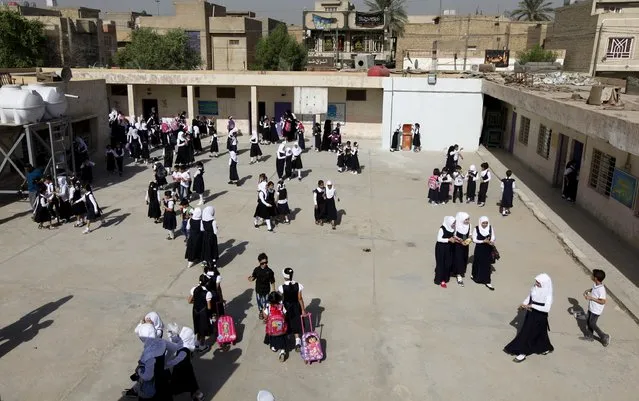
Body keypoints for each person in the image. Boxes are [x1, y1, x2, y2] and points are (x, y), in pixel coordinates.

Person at [504, 274, 554, 363]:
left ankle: (523, 352)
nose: (536, 283)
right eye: (537, 282)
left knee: (527, 332)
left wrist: (532, 306)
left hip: (540, 316)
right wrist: (524, 304)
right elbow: (530, 297)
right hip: (531, 313)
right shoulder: (535, 287)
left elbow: (547, 309)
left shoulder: (548, 294)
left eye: (539, 282)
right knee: (540, 332)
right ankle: (544, 347)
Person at [128, 323, 172, 400]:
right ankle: (135, 390)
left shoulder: (149, 354)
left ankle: (135, 390)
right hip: (161, 377)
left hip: (153, 385)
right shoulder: (161, 343)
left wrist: (139, 371)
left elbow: (148, 377)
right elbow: (173, 348)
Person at [165, 324, 204, 401]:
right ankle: (196, 393)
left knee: (186, 380)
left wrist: (166, 365)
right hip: (184, 367)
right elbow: (174, 340)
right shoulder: (185, 345)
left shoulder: (184, 350)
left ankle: (196, 394)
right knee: (188, 380)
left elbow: (176, 360)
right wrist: (170, 333)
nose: (179, 336)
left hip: (182, 367)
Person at [279, 268, 306, 352]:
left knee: (286, 323)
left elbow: (280, 300)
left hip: (286, 308)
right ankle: (298, 341)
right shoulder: (298, 285)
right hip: (296, 307)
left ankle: (286, 341)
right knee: (296, 322)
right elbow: (300, 298)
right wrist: (303, 310)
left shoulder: (281, 287)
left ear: (284, 276)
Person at [581, 269, 610, 346]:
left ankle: (604, 336)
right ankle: (590, 337)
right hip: (591, 308)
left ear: (596, 278)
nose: (591, 276)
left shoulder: (601, 289)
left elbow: (603, 301)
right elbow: (593, 289)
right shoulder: (596, 285)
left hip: (596, 310)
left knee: (592, 323)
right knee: (588, 321)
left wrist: (591, 298)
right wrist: (588, 290)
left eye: (592, 275)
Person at [188, 274, 214, 353]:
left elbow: (189, 301)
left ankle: (197, 342)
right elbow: (209, 307)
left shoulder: (194, 289)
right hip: (203, 312)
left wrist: (197, 302)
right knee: (203, 329)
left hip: (195, 311)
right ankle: (202, 346)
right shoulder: (208, 293)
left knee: (197, 327)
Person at [248, 253, 276, 321]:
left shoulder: (269, 271)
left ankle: (265, 314)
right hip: (258, 289)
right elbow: (253, 277)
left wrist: (273, 290)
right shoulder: (256, 270)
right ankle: (261, 311)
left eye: (266, 262)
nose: (264, 264)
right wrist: (250, 278)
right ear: (259, 262)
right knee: (259, 302)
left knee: (266, 302)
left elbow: (272, 281)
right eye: (263, 263)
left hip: (266, 290)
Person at [471, 216, 495, 290]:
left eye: (486, 223)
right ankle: (476, 276)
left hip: (488, 249)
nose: (485, 224)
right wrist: (483, 241)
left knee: (487, 264)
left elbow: (493, 237)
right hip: (479, 249)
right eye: (483, 223)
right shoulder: (476, 229)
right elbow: (474, 239)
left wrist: (491, 241)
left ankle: (487, 281)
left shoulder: (490, 228)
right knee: (478, 262)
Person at [263, 291, 288, 362]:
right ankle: (282, 351)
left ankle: (274, 347)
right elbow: (285, 314)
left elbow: (265, 316)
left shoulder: (268, 307)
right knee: (282, 337)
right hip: (281, 328)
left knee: (273, 337)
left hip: (272, 329)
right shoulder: (281, 306)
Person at [435, 216, 456, 288]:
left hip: (449, 248)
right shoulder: (442, 229)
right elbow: (439, 239)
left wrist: (456, 239)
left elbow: (453, 235)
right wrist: (448, 240)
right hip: (441, 248)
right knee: (441, 264)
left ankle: (445, 277)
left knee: (448, 263)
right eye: (453, 223)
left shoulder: (452, 228)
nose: (454, 224)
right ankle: (440, 280)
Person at [452, 212, 471, 287]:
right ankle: (458, 274)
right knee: (458, 259)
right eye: (466, 220)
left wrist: (469, 240)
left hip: (465, 245)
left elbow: (470, 234)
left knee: (464, 258)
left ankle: (461, 271)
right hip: (457, 245)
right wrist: (460, 240)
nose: (467, 221)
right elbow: (453, 234)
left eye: (468, 219)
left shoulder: (469, 225)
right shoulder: (456, 225)